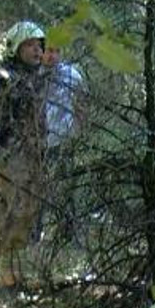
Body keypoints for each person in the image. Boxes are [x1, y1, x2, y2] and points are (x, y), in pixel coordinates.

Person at [0, 21, 47, 287]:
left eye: (39, 46)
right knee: (2, 215)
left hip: (32, 156)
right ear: (16, 48)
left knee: (25, 213)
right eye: (30, 45)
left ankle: (9, 272)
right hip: (10, 157)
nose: (37, 51)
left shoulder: (34, 79)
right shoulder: (3, 77)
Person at [36, 45, 85, 243]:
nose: (53, 55)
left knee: (65, 188)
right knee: (37, 189)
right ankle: (36, 233)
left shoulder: (72, 75)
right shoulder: (33, 76)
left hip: (63, 141)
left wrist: (79, 134)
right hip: (39, 143)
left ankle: (68, 234)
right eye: (49, 50)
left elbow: (81, 104)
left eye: (57, 50)